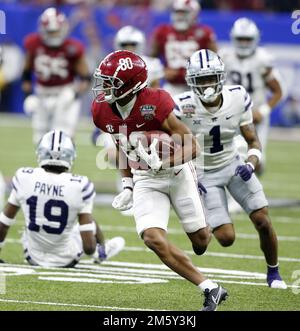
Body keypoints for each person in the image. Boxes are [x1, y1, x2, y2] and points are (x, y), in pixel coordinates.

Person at [91, 49, 228, 311]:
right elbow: (119, 142)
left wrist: (164, 162)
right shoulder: (101, 110)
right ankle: (210, 288)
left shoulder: (156, 101)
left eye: (112, 82)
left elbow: (193, 146)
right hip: (144, 178)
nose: (105, 87)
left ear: (131, 86)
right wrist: (128, 183)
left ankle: (204, 198)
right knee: (152, 237)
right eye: (104, 80)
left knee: (201, 242)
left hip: (176, 172)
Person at [173, 49, 287, 289]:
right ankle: (196, 226)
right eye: (200, 79)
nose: (206, 85)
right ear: (191, 80)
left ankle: (274, 272)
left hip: (233, 165)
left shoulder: (238, 97)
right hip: (204, 173)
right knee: (225, 239)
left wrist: (250, 164)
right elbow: (173, 146)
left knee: (262, 221)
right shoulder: (182, 105)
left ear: (220, 77)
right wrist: (190, 177)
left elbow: (253, 142)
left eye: (210, 78)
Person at [0, 130, 125, 268]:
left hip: (32, 256)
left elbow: (4, 222)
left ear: (40, 153)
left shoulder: (23, 177)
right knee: (87, 220)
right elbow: (89, 247)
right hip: (66, 258)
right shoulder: (80, 185)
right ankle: (102, 251)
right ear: (70, 156)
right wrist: (95, 247)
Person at [220, 18, 283, 174]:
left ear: (255, 39)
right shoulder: (225, 56)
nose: (243, 43)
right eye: (240, 39)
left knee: (257, 160)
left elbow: (278, 91)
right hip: (231, 113)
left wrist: (263, 111)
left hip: (255, 115)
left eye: (247, 39)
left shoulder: (262, 59)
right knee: (227, 155)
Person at [21, 7, 91, 144]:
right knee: (40, 137)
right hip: (41, 93)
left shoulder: (73, 48)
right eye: (50, 32)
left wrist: (74, 93)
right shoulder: (33, 44)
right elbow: (26, 74)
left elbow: (86, 78)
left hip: (65, 93)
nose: (53, 35)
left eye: (56, 31)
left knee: (64, 137)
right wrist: (29, 96)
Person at [151, 0, 217, 96]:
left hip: (197, 84)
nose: (180, 16)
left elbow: (215, 61)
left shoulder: (204, 33)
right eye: (177, 12)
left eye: (184, 12)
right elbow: (151, 58)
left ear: (194, 13)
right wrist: (162, 72)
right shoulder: (162, 32)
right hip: (171, 86)